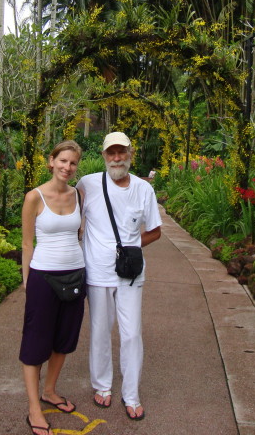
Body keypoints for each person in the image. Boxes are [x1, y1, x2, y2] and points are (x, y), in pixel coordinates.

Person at [77, 132, 162, 421]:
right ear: (104, 156)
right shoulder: (87, 184)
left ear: (130, 154)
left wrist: (129, 250)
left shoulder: (143, 189)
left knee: (132, 333)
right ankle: (102, 385)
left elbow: (155, 231)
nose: (116, 158)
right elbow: (72, 217)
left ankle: (132, 394)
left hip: (129, 273)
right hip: (97, 272)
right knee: (100, 331)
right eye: (111, 153)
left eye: (121, 153)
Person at [19, 140, 85, 435]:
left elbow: (81, 233)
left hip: (75, 275)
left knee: (65, 339)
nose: (67, 167)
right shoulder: (34, 197)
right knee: (36, 343)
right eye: (63, 161)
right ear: (51, 161)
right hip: (43, 277)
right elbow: (26, 243)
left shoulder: (79, 196)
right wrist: (26, 282)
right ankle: (35, 407)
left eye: (72, 163)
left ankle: (50, 391)